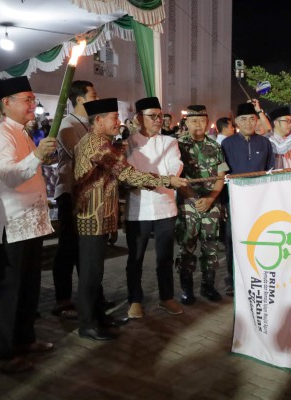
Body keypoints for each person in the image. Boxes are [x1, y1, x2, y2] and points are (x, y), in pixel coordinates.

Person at [74, 98, 187, 340]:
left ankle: (98, 317)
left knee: (96, 272)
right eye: (114, 118)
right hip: (91, 215)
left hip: (101, 215)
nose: (118, 122)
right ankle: (88, 324)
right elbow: (126, 173)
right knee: (91, 273)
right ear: (98, 120)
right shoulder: (96, 144)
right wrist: (166, 180)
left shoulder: (106, 143)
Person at [0, 76, 57, 373]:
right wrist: (36, 156)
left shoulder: (23, 132)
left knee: (29, 286)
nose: (33, 104)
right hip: (14, 223)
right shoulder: (1, 134)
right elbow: (8, 175)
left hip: (32, 221)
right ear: (7, 103)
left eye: (33, 99)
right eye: (27, 99)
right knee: (10, 291)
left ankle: (24, 338)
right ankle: (2, 353)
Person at [125, 97, 184, 319]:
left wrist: (168, 177)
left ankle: (166, 297)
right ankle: (135, 300)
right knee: (136, 257)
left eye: (160, 115)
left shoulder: (170, 141)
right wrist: (162, 179)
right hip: (137, 208)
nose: (158, 119)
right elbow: (130, 174)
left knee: (165, 256)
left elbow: (175, 165)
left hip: (164, 205)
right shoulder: (128, 143)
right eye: (152, 116)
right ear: (138, 118)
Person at [51, 80, 98, 320]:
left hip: (89, 193)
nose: (97, 99)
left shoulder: (90, 124)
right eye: (93, 95)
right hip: (70, 192)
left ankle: (90, 296)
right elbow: (81, 156)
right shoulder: (66, 125)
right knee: (68, 247)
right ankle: (63, 299)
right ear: (80, 99)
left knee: (86, 247)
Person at [176, 105, 229, 303]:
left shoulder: (216, 146)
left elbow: (221, 175)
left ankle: (208, 286)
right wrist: (193, 197)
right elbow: (176, 176)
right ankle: (186, 288)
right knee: (187, 245)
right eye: (194, 121)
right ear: (186, 123)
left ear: (207, 122)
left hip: (211, 202)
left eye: (202, 121)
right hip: (187, 204)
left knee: (211, 245)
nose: (198, 124)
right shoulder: (178, 146)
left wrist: (210, 199)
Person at [221, 102, 274, 295]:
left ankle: (255, 275)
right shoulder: (226, 144)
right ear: (236, 121)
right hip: (234, 201)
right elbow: (222, 173)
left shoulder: (265, 143)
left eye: (252, 119)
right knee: (233, 240)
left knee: (257, 239)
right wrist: (224, 202)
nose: (248, 123)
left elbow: (270, 171)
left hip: (259, 202)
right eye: (243, 119)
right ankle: (232, 279)